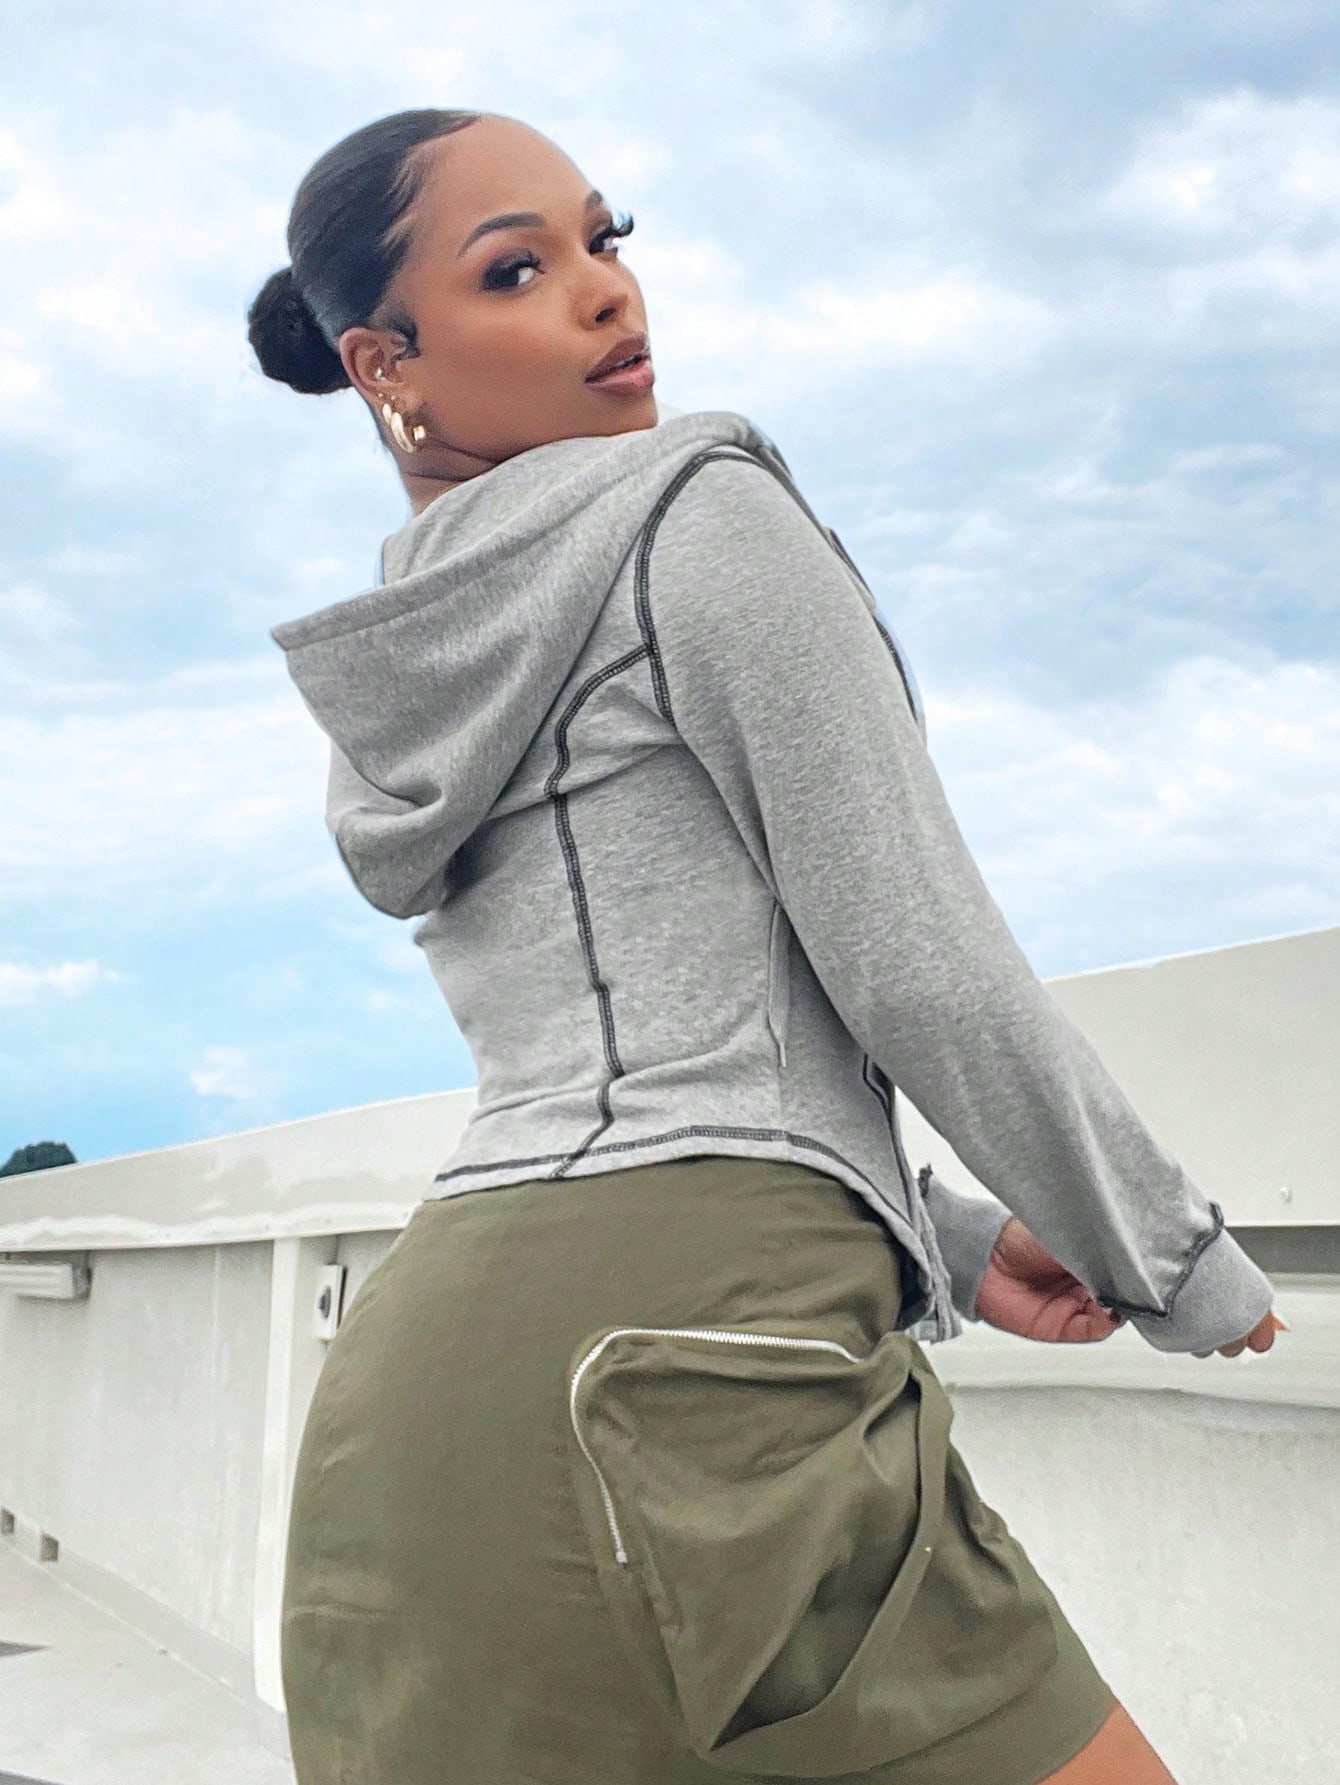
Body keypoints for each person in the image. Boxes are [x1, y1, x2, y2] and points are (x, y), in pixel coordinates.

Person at [247, 108, 1285, 1785]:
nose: (603, 290)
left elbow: (630, 1050)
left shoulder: (412, 660)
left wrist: (947, 1238)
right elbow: (918, 962)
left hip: (416, 1414)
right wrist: (1171, 1258)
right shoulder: (696, 520)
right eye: (515, 268)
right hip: (703, 1382)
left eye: (606, 239)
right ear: (386, 364)